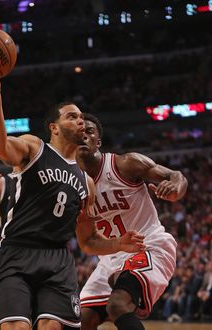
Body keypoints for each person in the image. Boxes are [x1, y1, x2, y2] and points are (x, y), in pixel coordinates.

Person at [0, 53, 145, 330]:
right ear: (54, 127)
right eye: (71, 116)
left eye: (81, 118)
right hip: (18, 251)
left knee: (52, 327)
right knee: (17, 327)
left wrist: (117, 244)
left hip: (58, 259)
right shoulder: (34, 148)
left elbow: (88, 241)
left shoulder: (86, 181)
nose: (79, 121)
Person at [76, 113, 188, 330]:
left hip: (149, 246)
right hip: (110, 257)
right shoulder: (74, 186)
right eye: (79, 133)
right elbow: (87, 242)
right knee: (83, 320)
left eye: (89, 132)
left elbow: (176, 176)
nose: (84, 136)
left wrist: (175, 190)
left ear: (98, 141)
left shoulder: (125, 164)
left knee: (117, 305)